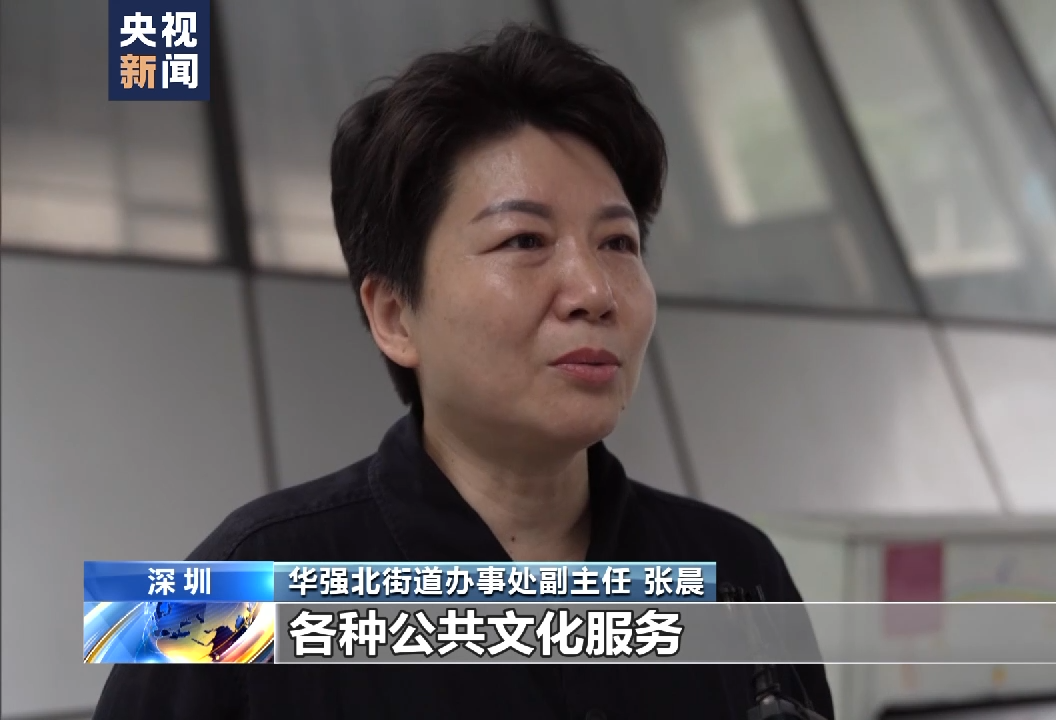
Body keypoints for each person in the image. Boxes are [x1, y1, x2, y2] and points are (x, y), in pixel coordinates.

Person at [93, 24, 834, 720]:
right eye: (524, 240)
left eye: (617, 243)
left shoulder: (738, 573)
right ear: (394, 316)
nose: (594, 291)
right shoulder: (232, 594)